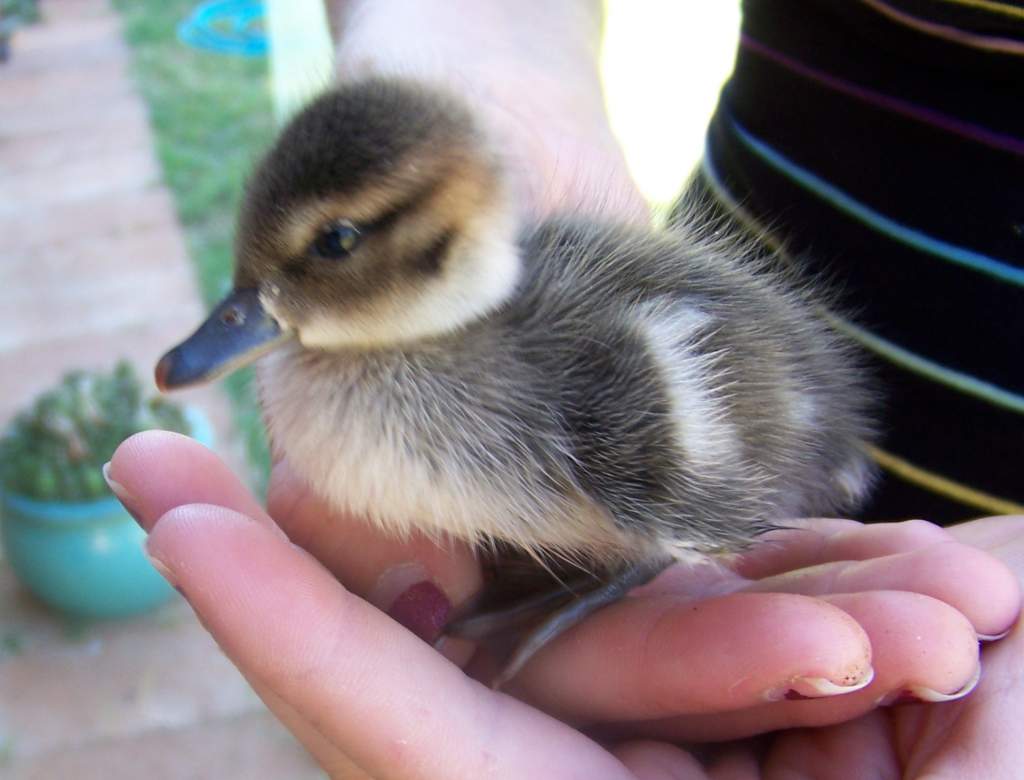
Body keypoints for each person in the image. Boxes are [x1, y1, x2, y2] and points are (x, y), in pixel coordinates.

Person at [108, 1, 1023, 776]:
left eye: (336, 245)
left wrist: (620, 561)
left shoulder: (622, 406)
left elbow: (734, 450)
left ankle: (609, 571)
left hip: (780, 468)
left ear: (440, 232)